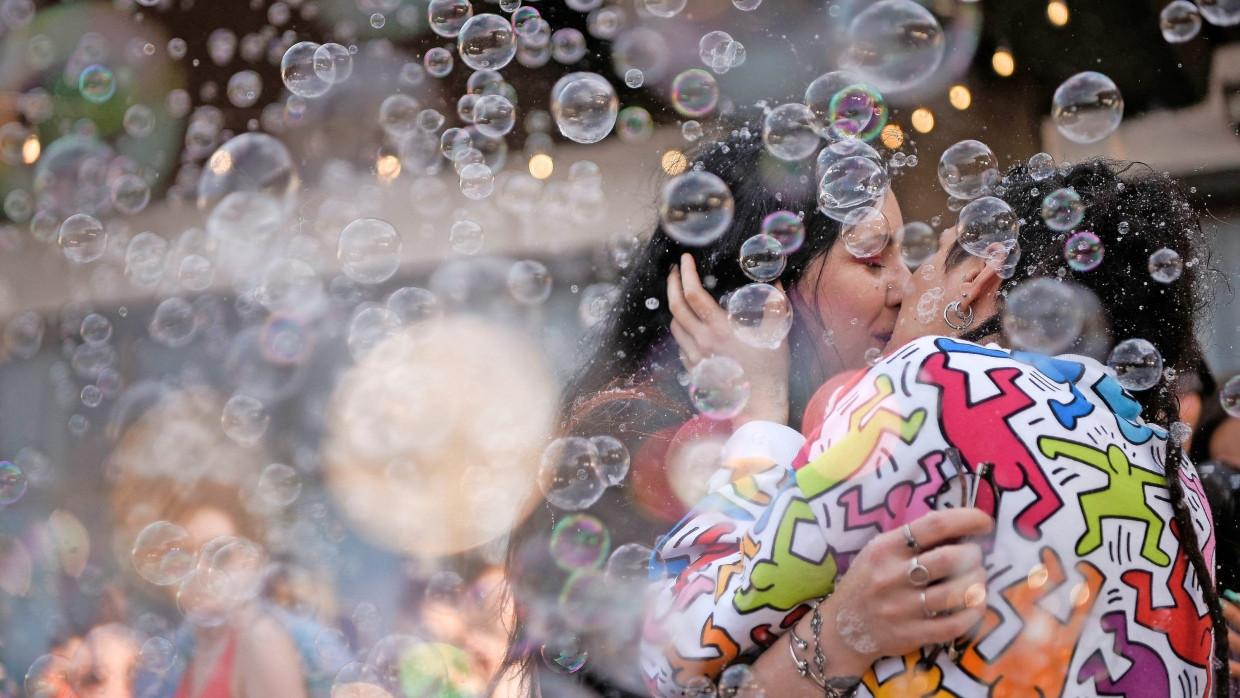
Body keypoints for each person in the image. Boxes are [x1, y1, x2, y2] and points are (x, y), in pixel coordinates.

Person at [644, 157, 1229, 696]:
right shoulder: (1177, 480)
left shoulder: (938, 382)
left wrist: (760, 419)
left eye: (928, 256)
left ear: (980, 277)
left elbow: (677, 645)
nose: (904, 289)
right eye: (875, 258)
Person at [496, 117, 989, 696]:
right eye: (873, 260)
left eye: (905, 258)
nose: (904, 288)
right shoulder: (633, 439)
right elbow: (677, 671)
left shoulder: (840, 427)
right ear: (759, 287)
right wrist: (760, 411)